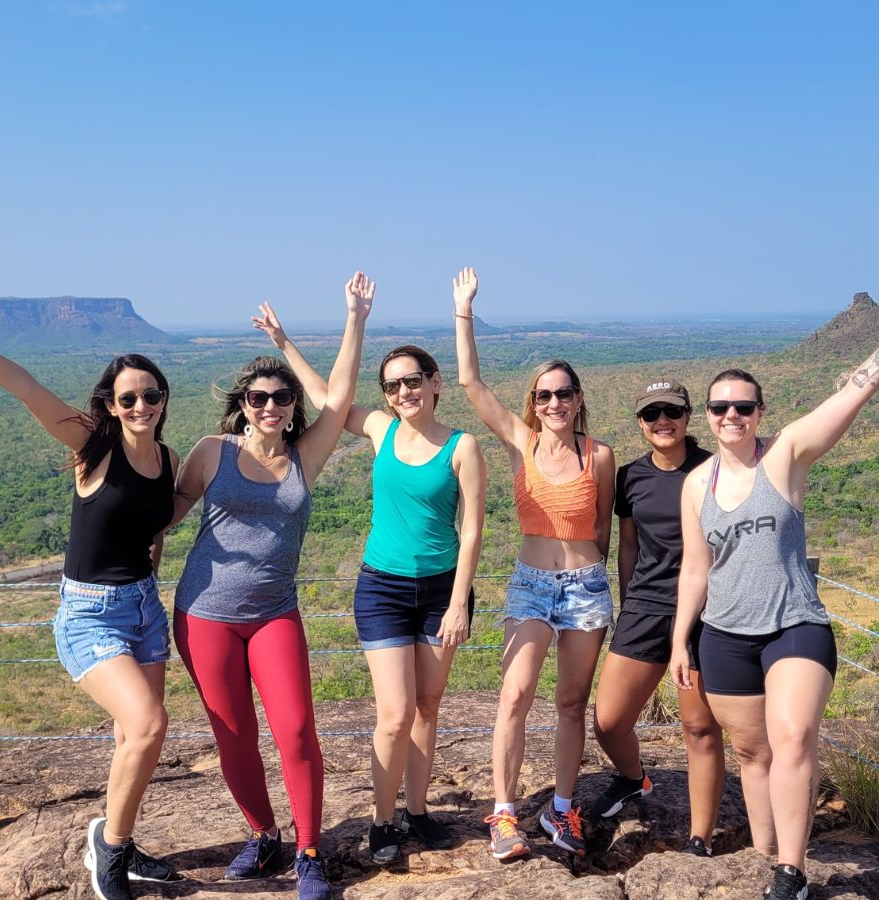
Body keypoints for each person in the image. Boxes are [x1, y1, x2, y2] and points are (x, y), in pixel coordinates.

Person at [170, 273, 374, 898]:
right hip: (203, 614)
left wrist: (353, 321)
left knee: (294, 730)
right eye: (258, 397)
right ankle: (263, 836)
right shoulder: (212, 451)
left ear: (291, 405)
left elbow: (339, 400)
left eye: (280, 398)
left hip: (273, 613)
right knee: (234, 736)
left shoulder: (303, 457)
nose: (269, 406)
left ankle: (309, 849)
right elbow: (163, 517)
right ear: (242, 404)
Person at [265, 306, 486, 866]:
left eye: (414, 380)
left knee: (428, 707)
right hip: (383, 588)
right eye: (393, 386)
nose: (404, 392)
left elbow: (474, 529)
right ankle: (382, 820)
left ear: (435, 384)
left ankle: (417, 810)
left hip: (441, 591)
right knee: (394, 712)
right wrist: (287, 341)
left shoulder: (462, 447)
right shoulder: (381, 430)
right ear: (386, 396)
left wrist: (459, 604)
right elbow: (326, 400)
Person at [670, 346, 879, 900]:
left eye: (743, 406)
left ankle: (792, 870)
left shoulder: (784, 457)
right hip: (725, 633)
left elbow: (848, 399)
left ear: (761, 412)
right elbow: (695, 568)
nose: (731, 416)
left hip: (795, 622)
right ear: (708, 416)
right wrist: (679, 642)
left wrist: (875, 363)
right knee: (751, 752)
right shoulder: (699, 484)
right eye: (719, 407)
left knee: (792, 736)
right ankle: (765, 858)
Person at [0, 341, 181, 900]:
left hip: (143, 607)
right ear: (111, 405)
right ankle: (111, 854)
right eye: (129, 397)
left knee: (131, 738)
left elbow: (153, 528)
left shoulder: (166, 458)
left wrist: (152, 580)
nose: (141, 404)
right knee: (149, 725)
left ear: (163, 399)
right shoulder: (93, 446)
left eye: (151, 394)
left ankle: (117, 836)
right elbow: (26, 388)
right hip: (91, 614)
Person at [452, 267, 615, 861]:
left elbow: (599, 531)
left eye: (564, 394)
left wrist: (590, 572)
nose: (553, 403)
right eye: (543, 395)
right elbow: (470, 383)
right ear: (534, 402)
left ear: (578, 401)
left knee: (571, 704)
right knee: (515, 695)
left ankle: (563, 806)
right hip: (530, 585)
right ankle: (503, 812)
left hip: (586, 587)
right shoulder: (522, 441)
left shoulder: (598, 455)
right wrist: (464, 309)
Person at [591, 377, 725, 855]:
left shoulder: (716, 469)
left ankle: (700, 836)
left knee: (698, 727)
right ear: (641, 424)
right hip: (646, 607)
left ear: (689, 416)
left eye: (672, 411)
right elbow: (628, 546)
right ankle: (633, 779)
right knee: (607, 721)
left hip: (709, 611)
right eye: (651, 414)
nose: (662, 421)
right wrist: (630, 603)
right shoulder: (631, 477)